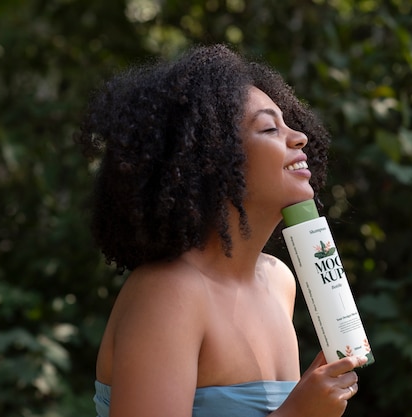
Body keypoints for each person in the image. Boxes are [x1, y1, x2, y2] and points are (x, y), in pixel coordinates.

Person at [75, 44, 366, 417]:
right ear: (212, 158)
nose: (299, 137)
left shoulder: (280, 281)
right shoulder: (170, 292)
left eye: (289, 123)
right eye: (269, 128)